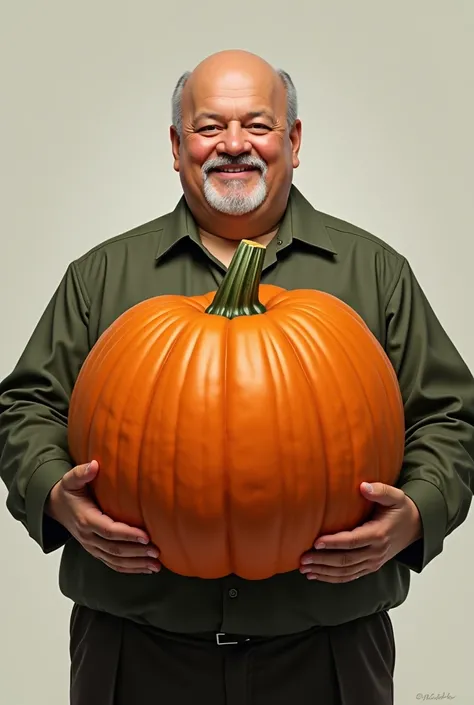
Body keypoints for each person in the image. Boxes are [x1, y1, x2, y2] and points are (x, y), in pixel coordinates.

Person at [1, 49, 473, 705]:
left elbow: (449, 418)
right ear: (176, 145)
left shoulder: (374, 272)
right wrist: (55, 496)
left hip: (329, 652)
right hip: (135, 651)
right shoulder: (101, 277)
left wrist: (417, 512)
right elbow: (25, 409)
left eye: (257, 124)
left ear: (293, 140)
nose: (232, 145)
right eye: (208, 126)